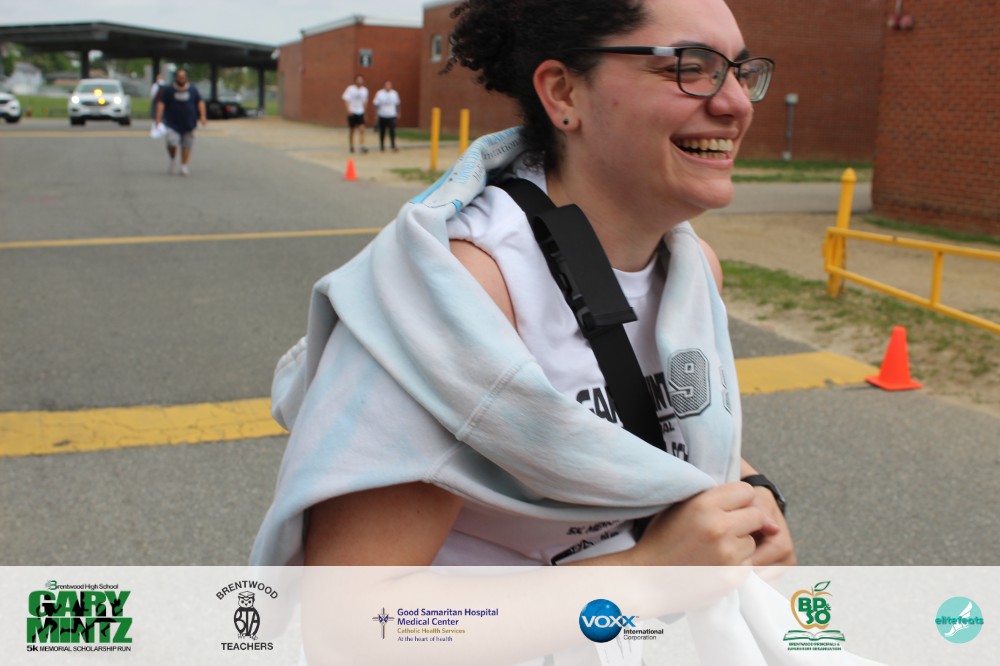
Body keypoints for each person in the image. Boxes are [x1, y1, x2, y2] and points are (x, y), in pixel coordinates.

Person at [254, 0, 806, 662]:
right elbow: (354, 628)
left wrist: (750, 494)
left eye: (741, 71)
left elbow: (642, 432)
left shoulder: (691, 268)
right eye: (690, 67)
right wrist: (648, 576)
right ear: (564, 93)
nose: (736, 102)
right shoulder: (463, 295)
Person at [154, 69, 206, 176]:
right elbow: (161, 103)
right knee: (171, 143)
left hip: (189, 122)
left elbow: (200, 102)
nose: (182, 79)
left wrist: (202, 116)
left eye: (183, 77)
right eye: (180, 77)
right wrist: (158, 117)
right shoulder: (169, 90)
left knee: (187, 145)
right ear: (176, 78)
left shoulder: (192, 89)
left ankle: (184, 165)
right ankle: (173, 158)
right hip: (172, 123)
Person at [341, 74, 368, 154]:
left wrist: (364, 111)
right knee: (352, 130)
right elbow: (346, 99)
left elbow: (365, 101)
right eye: (358, 79)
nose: (360, 81)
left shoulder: (365, 90)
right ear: (355, 81)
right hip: (352, 111)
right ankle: (351, 146)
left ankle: (362, 146)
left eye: (361, 80)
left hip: (360, 111)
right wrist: (348, 110)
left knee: (362, 129)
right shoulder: (350, 89)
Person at [372, 79, 400, 152]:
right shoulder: (379, 93)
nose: (388, 86)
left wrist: (398, 112)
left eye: (389, 85)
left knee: (392, 131)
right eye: (386, 85)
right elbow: (376, 104)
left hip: (392, 115)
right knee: (382, 131)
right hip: (382, 115)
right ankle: (382, 146)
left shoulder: (394, 93)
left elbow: (397, 104)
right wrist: (376, 114)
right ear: (384, 86)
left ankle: (393, 145)